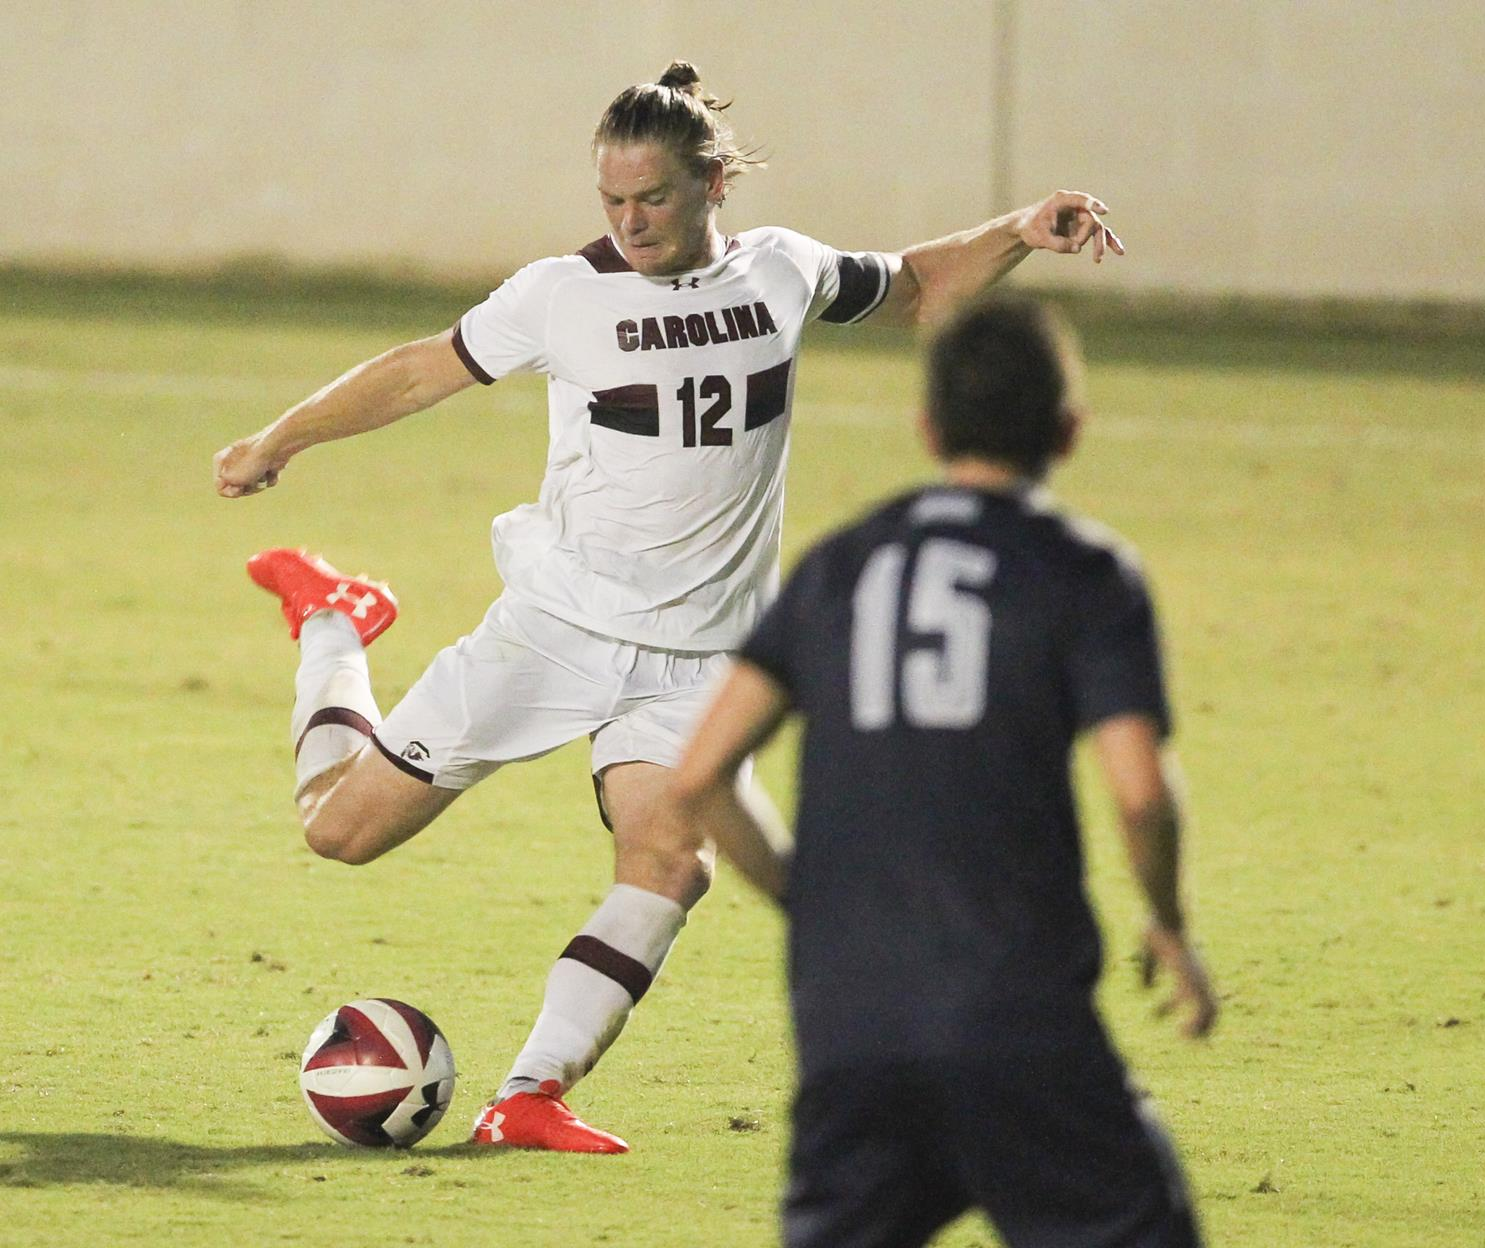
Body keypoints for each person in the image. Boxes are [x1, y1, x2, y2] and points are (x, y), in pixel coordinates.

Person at [210, 61, 1125, 1154]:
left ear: (709, 187)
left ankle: (529, 1095)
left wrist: (1022, 228)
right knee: (339, 832)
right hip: (556, 630)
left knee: (667, 861)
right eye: (612, 201)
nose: (632, 222)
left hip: (698, 659)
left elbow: (920, 287)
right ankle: (335, 621)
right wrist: (278, 440)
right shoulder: (562, 296)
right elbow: (417, 373)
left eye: (653, 199)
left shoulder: (781, 272)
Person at [663, 295, 1217, 1247]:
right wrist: (1167, 922)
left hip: (850, 1025)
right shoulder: (1085, 572)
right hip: (1020, 1019)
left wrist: (811, 899)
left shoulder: (839, 565)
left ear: (927, 428)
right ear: (1068, 431)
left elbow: (700, 776)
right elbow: (1140, 793)